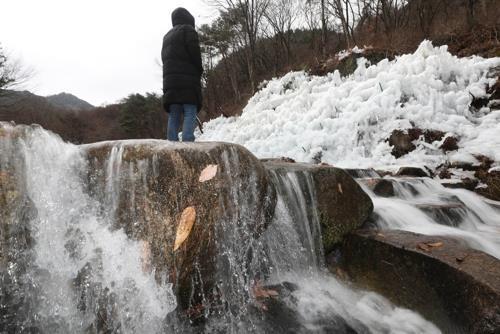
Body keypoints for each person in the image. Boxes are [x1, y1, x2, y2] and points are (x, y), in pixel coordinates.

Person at [161, 7, 203, 142]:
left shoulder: (166, 36)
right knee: (190, 110)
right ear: (189, 19)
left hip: (171, 82)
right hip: (188, 80)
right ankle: (188, 140)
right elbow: (195, 53)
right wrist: (199, 70)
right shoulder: (189, 30)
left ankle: (171, 143)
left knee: (174, 113)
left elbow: (164, 59)